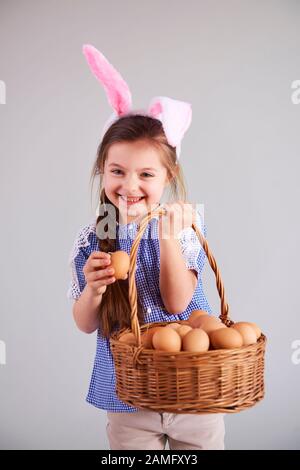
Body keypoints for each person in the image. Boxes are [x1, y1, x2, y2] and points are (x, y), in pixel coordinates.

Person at [67, 44, 225, 450]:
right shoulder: (93, 238)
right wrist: (93, 289)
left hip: (192, 386)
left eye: (146, 174)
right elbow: (86, 323)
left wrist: (168, 235)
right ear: (102, 169)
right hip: (129, 394)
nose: (130, 186)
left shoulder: (184, 225)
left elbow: (176, 304)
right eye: (117, 171)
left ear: (168, 176)